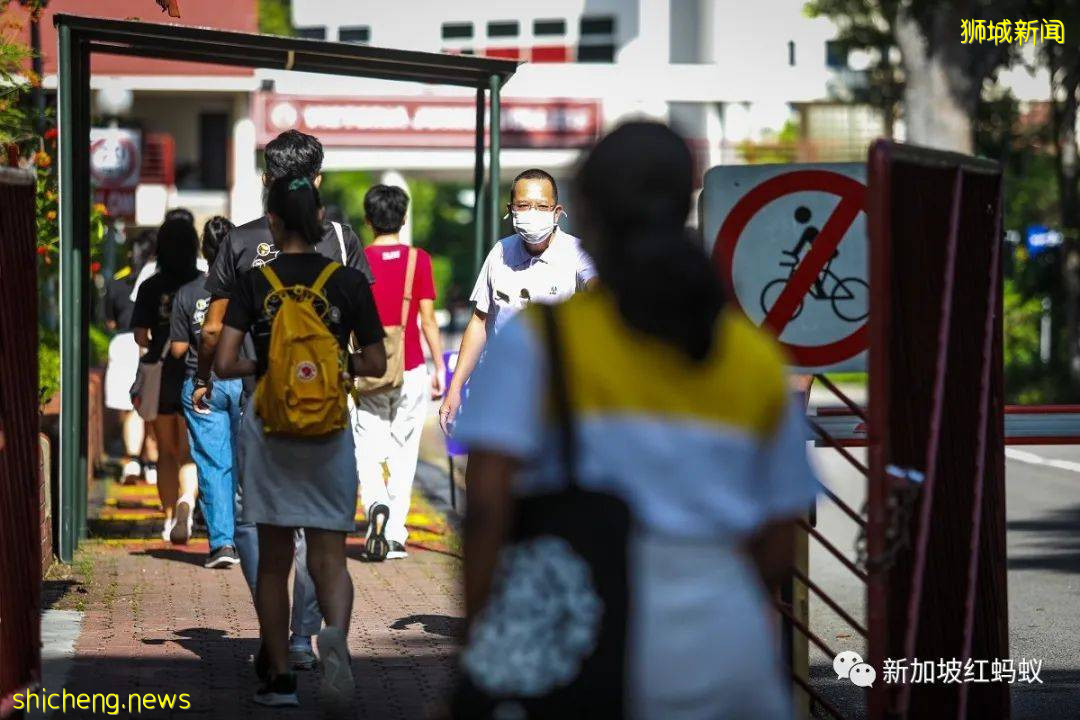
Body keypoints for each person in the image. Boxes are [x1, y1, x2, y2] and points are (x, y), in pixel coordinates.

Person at [452, 122, 819, 718]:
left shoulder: (542, 345)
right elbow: (778, 541)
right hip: (729, 660)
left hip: (583, 654)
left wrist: (482, 650)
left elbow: (489, 509)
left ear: (587, 214)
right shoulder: (752, 358)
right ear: (683, 206)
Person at [195, 129, 375, 670]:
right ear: (316, 185)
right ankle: (310, 639)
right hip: (328, 415)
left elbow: (213, 334)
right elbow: (372, 354)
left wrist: (215, 375)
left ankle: (275, 658)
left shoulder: (241, 244)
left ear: (266, 185)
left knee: (263, 538)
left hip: (263, 412)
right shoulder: (342, 248)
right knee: (324, 541)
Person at [438, 168, 596, 433]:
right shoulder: (499, 253)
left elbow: (599, 291)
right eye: (524, 206)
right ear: (511, 209)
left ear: (557, 212)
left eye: (541, 206)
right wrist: (455, 388)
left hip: (554, 396)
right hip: (500, 390)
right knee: (483, 473)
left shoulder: (577, 254)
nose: (532, 213)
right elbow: (479, 321)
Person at [350, 185, 445, 562]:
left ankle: (374, 502)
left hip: (369, 369)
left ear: (368, 219)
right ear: (404, 218)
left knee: (368, 446)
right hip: (411, 368)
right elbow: (427, 321)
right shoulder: (418, 260)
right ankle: (395, 535)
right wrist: (439, 365)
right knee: (406, 453)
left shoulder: (356, 260)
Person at [169, 216, 243, 569]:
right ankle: (249, 537)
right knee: (247, 463)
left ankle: (222, 543)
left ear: (205, 250)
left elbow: (180, 346)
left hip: (203, 384)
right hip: (243, 380)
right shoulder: (249, 286)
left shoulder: (187, 292)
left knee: (214, 464)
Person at [131, 218, 201, 544]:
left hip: (161, 378)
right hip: (194, 373)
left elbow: (140, 337)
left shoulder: (150, 287)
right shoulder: (205, 284)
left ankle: (169, 516)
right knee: (189, 451)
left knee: (165, 453)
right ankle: (188, 504)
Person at [104, 229, 157, 485]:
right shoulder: (160, 279)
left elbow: (111, 321)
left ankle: (132, 461)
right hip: (152, 342)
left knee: (130, 408)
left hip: (124, 341)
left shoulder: (117, 282)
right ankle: (150, 463)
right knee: (152, 407)